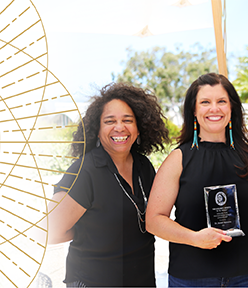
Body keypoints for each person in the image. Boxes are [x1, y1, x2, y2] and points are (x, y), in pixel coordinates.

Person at [146, 73, 248, 287]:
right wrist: (194, 238)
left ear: (232, 108)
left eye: (221, 101)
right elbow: (153, 220)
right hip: (190, 280)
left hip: (246, 279)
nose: (214, 109)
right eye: (205, 102)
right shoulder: (178, 159)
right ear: (194, 111)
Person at [47, 83, 169, 287]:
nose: (119, 127)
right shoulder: (85, 171)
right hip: (93, 281)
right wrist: (86, 233)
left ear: (139, 128)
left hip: (141, 280)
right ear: (97, 129)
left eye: (127, 120)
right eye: (109, 121)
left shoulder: (144, 167)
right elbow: (47, 231)